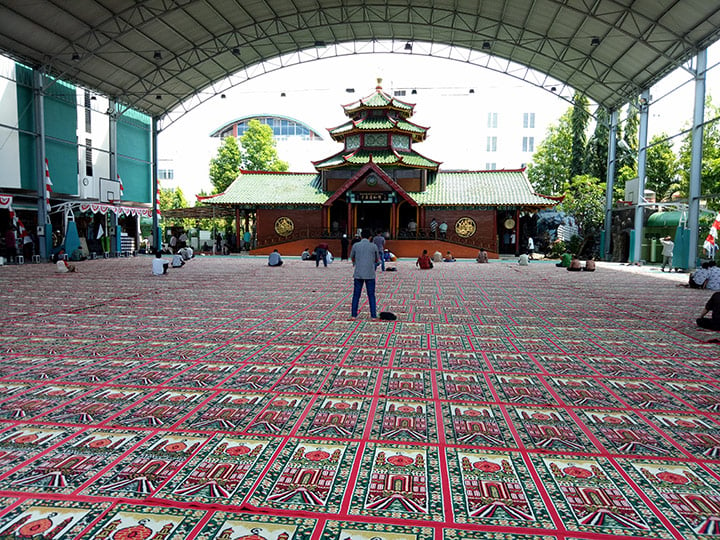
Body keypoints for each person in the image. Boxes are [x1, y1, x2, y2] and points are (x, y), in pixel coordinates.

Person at [349, 228, 380, 319]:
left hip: (358, 273)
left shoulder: (355, 245)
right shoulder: (373, 246)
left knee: (356, 295)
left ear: (361, 236)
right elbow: (377, 259)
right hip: (370, 274)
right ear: (370, 237)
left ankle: (354, 315)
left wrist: (356, 263)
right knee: (371, 295)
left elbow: (352, 257)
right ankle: (373, 315)